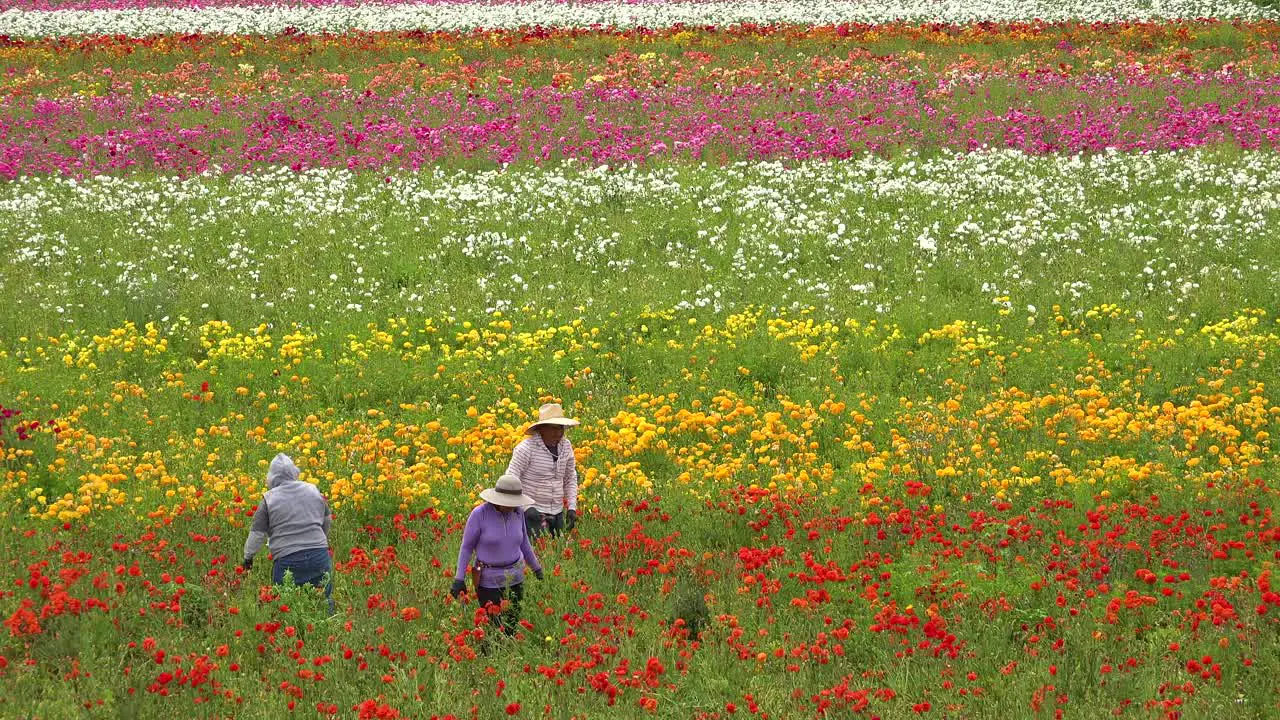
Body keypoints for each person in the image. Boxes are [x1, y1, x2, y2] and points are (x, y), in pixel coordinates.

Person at [451, 474, 543, 639]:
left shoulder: (518, 513)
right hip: (488, 581)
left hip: (515, 578)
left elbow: (524, 543)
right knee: (494, 629)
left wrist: (536, 568)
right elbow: (466, 547)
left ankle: (510, 662)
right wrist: (459, 578)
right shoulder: (480, 514)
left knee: (512, 627)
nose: (511, 506)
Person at [243, 453, 335, 614]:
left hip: (288, 560)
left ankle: (295, 636)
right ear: (295, 472)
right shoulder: (313, 490)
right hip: (319, 556)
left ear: (271, 477)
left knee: (287, 607)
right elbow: (327, 519)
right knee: (322, 602)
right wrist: (321, 540)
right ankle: (329, 635)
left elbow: (257, 534)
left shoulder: (268, 499)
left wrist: (248, 558)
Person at [505, 403, 580, 539]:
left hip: (557, 512)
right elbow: (510, 479)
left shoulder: (566, 446)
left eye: (561, 428)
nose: (558, 433)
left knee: (556, 555)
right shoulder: (526, 449)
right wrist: (526, 507)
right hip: (532, 513)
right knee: (536, 554)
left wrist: (571, 508)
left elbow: (570, 478)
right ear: (541, 429)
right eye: (553, 428)